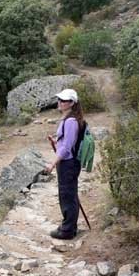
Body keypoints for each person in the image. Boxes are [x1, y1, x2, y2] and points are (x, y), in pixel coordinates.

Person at [45, 88, 85, 240]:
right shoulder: (70, 119)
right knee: (69, 194)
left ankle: (67, 231)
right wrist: (56, 142)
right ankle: (69, 226)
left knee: (67, 195)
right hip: (69, 163)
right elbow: (67, 143)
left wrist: (52, 163)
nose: (60, 102)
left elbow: (67, 148)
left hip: (68, 164)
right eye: (60, 100)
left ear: (72, 103)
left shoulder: (70, 121)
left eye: (64, 100)